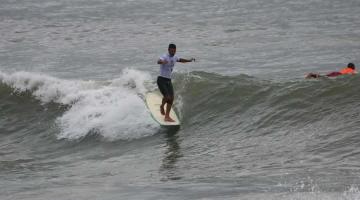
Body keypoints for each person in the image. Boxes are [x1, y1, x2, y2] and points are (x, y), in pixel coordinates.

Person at [157, 43, 195, 122]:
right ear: (168, 50)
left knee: (171, 99)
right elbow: (158, 61)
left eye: (174, 51)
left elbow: (180, 60)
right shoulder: (165, 56)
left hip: (168, 80)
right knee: (167, 97)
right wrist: (162, 62)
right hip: (161, 80)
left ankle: (167, 116)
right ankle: (161, 106)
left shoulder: (175, 57)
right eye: (172, 51)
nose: (173, 52)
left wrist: (189, 60)